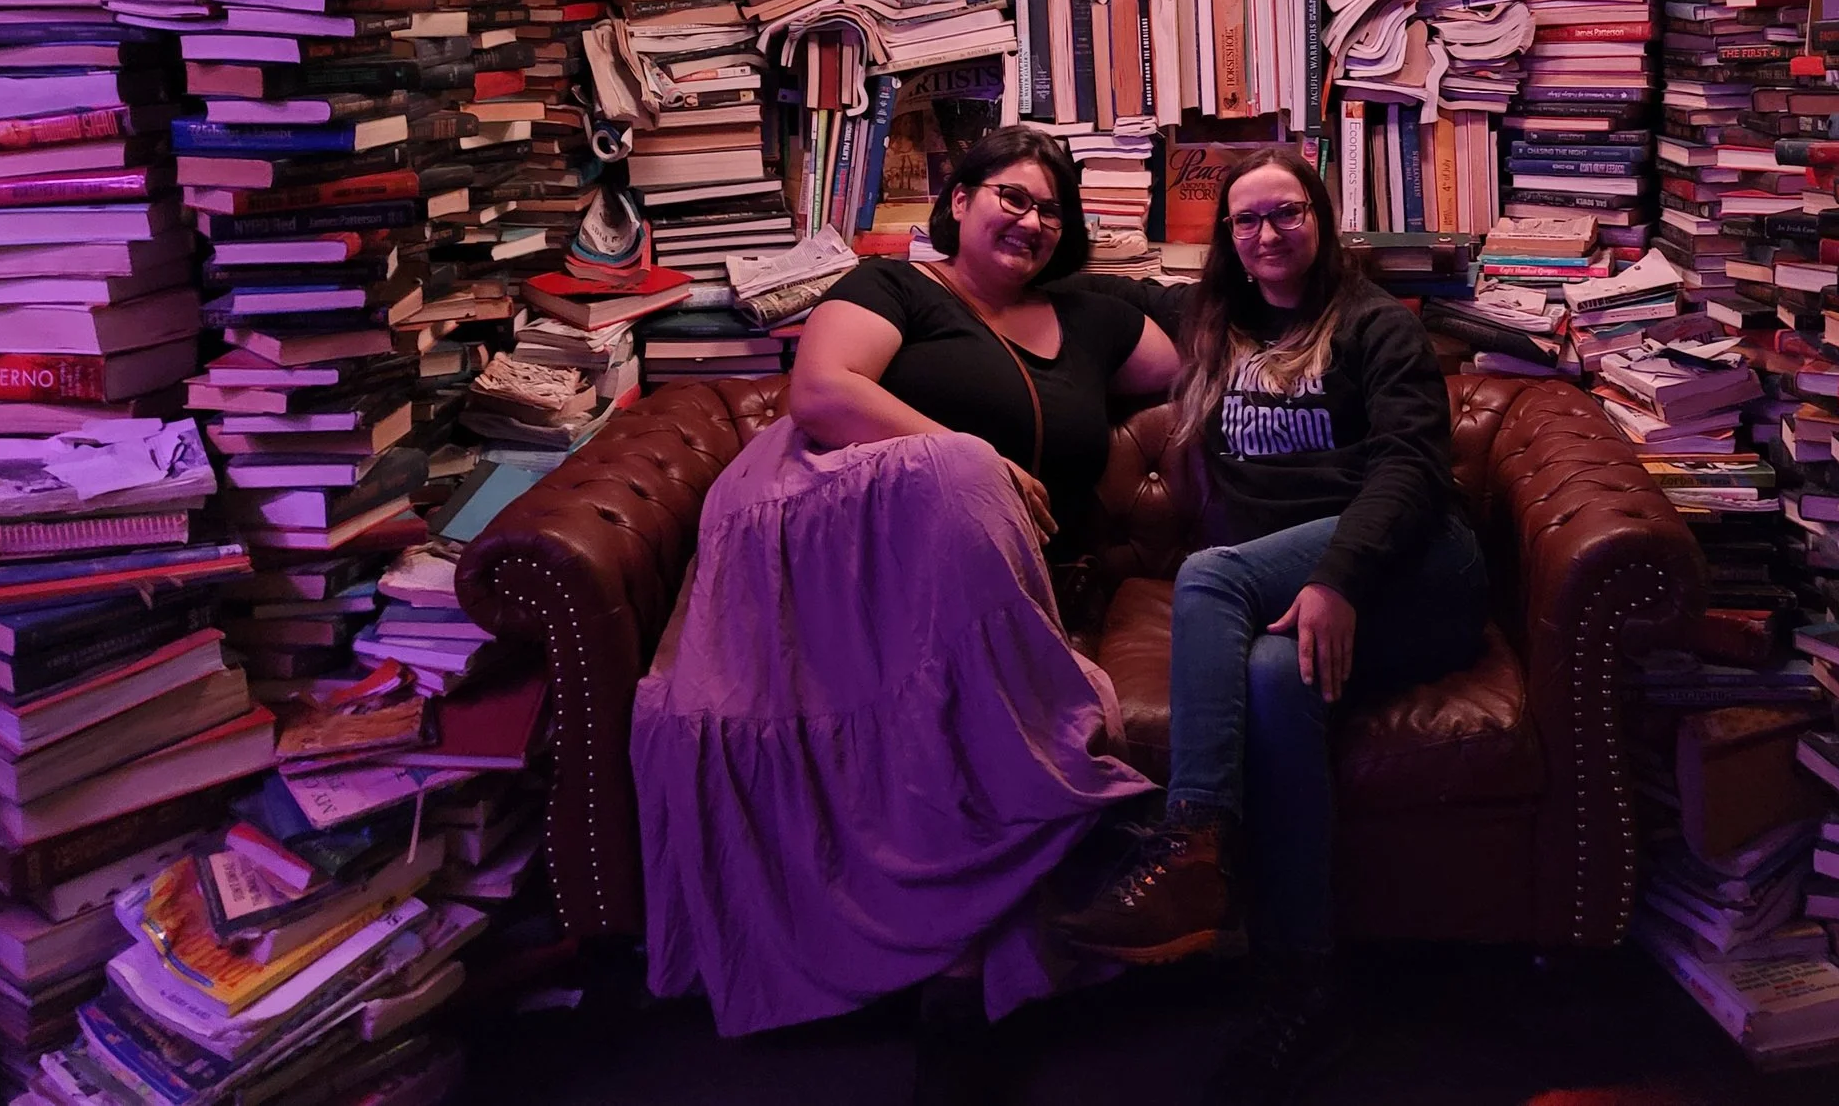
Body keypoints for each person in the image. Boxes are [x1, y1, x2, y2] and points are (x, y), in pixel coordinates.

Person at [630, 126, 1179, 1103]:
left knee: (948, 703)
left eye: (1053, 209)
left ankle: (959, 989)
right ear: (958, 201)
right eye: (1010, 196)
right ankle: (1075, 795)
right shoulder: (897, 291)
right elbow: (820, 392)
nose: (1033, 219)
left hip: (989, 574)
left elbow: (1196, 360)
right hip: (846, 536)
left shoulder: (1090, 319)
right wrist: (983, 461)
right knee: (960, 463)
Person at [1056, 147, 1487, 1105]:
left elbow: (1414, 468)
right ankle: (1301, 979)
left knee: (1208, 574)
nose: (1266, 233)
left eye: (1286, 213)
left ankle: (1194, 841)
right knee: (1269, 677)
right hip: (1289, 598)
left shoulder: (1377, 326)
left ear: (1322, 221)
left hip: (1417, 570)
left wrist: (1339, 577)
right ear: (1228, 241)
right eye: (1245, 220)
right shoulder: (1213, 322)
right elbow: (1079, 278)